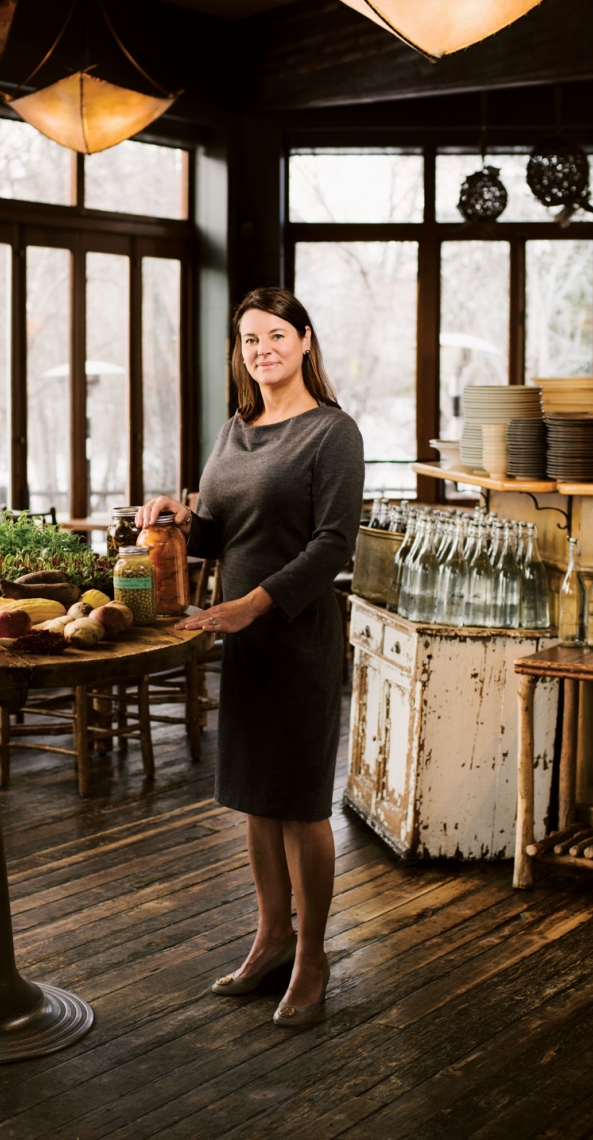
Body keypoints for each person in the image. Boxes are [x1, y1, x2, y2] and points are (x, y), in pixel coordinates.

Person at [136, 286, 364, 1027]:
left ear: (303, 340)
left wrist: (254, 604)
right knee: (255, 801)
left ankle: (313, 957)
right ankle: (269, 941)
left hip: (294, 637)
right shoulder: (237, 429)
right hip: (243, 642)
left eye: (273, 335)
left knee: (298, 804)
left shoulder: (332, 433)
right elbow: (217, 533)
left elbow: (332, 544)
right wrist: (178, 518)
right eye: (247, 340)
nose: (260, 350)